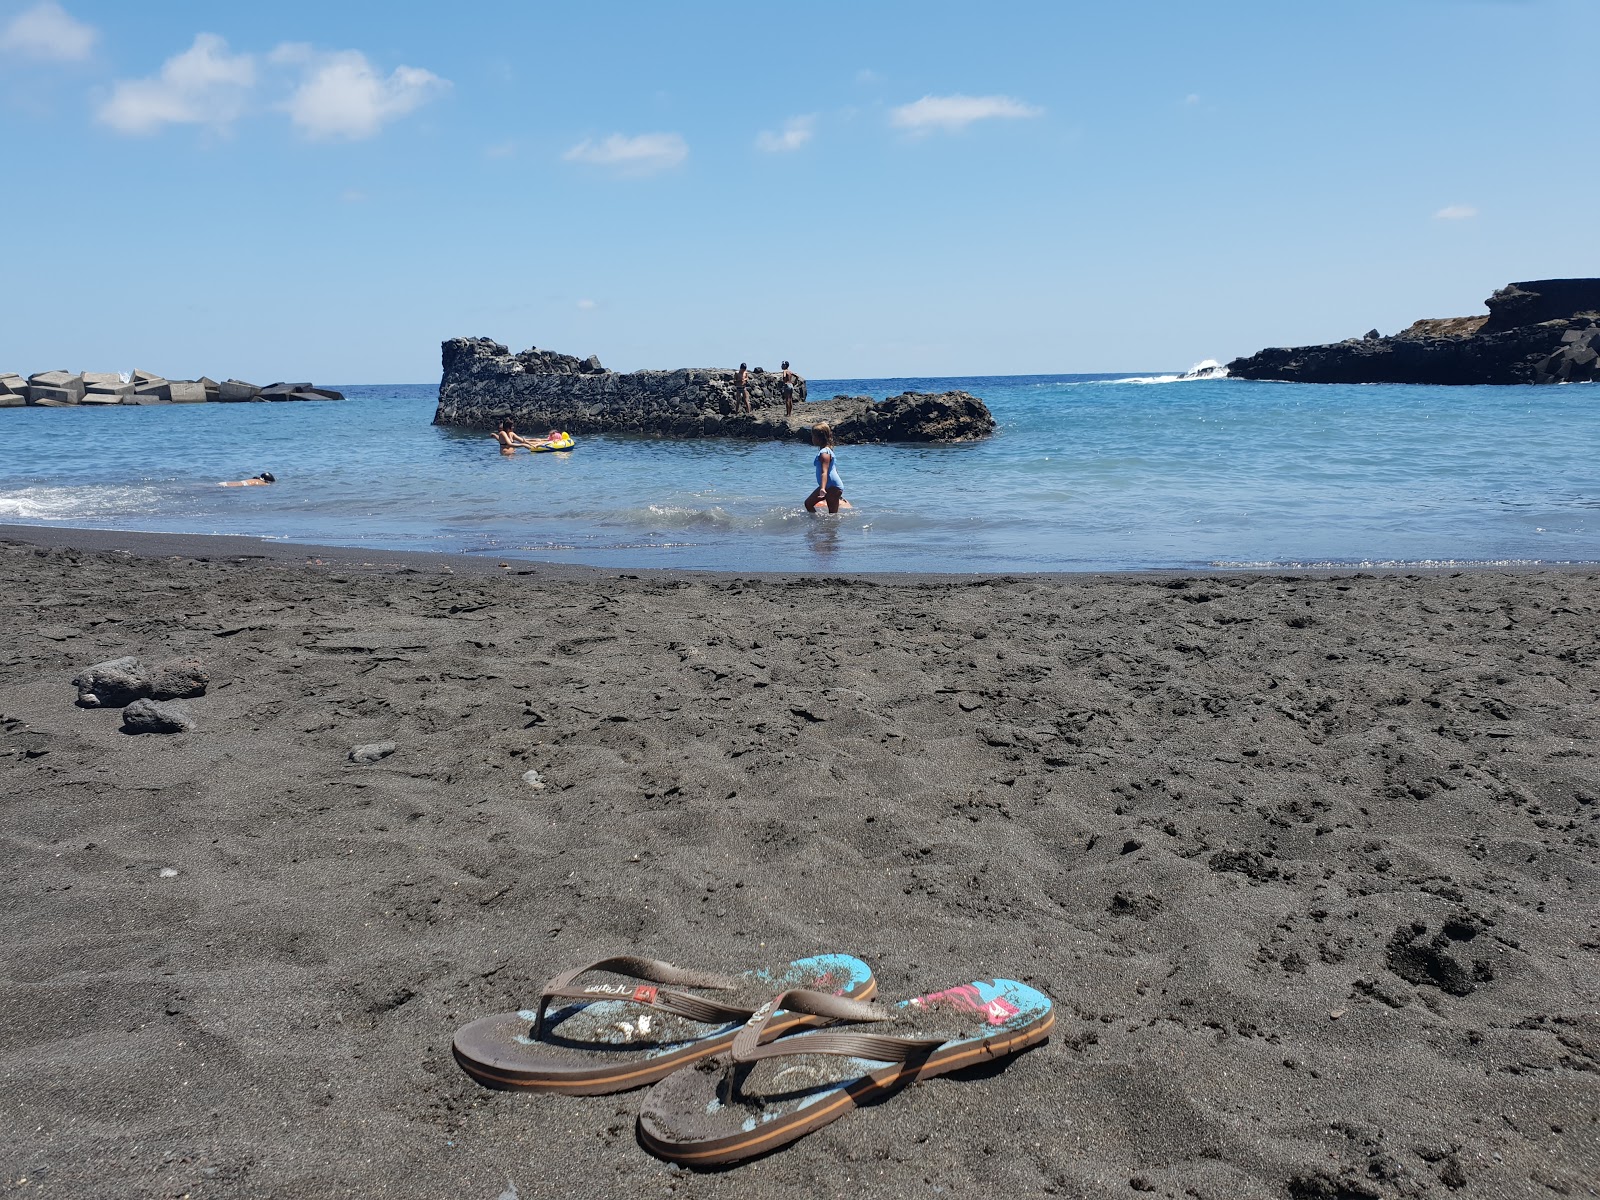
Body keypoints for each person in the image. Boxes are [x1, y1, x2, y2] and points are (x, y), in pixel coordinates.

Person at [804, 423, 850, 514]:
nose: (812, 439)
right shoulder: (827, 450)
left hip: (831, 487)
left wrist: (822, 488)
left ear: (818, 438)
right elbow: (834, 470)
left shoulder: (824, 453)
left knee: (832, 514)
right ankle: (819, 524)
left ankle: (826, 527)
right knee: (808, 504)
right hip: (831, 486)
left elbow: (824, 472)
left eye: (813, 436)